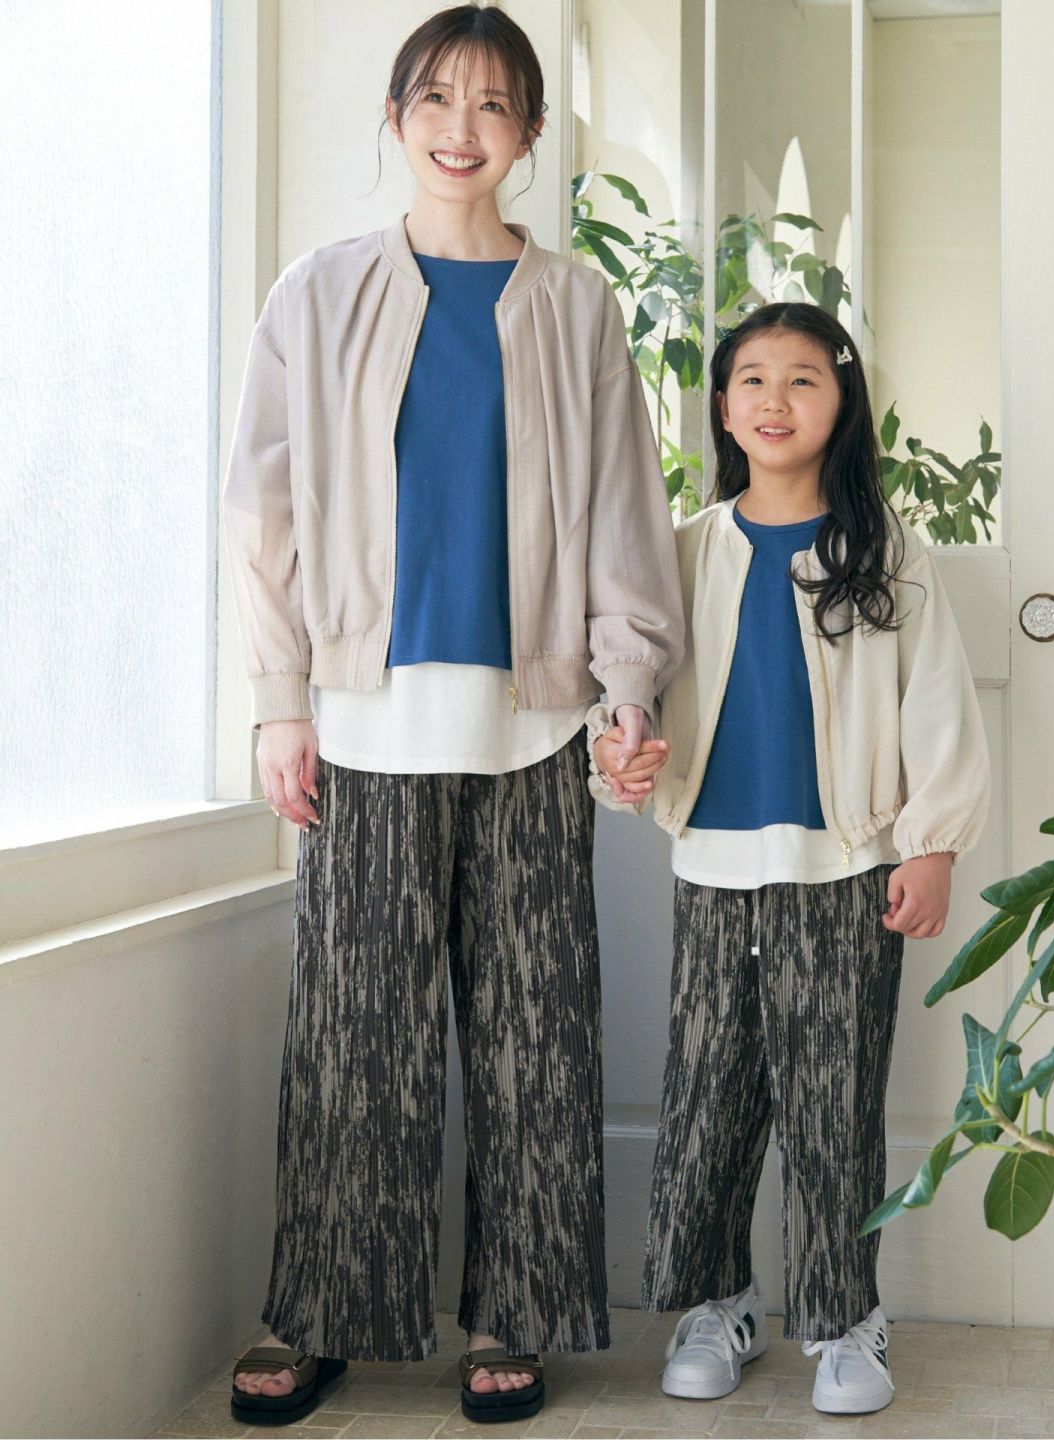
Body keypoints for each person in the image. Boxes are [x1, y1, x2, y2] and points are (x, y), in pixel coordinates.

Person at [220, 4, 683, 1426]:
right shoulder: (316, 293)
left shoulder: (578, 306)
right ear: (396, 116)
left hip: (532, 729)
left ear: (530, 132)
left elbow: (624, 514)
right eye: (435, 98)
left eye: (492, 103)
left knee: (537, 1036)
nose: (461, 128)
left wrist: (628, 688)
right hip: (360, 728)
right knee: (354, 1039)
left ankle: (514, 1320)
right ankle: (322, 1315)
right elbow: (262, 513)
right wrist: (278, 703)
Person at [589, 302, 990, 1416]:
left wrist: (933, 845)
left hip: (848, 869)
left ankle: (845, 1319)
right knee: (707, 1099)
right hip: (713, 868)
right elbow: (622, 701)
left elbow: (938, 706)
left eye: (803, 378)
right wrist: (618, 759)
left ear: (842, 404)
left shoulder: (885, 551)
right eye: (753, 379)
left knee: (834, 1106)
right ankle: (714, 1302)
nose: (775, 400)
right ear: (722, 408)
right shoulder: (681, 552)